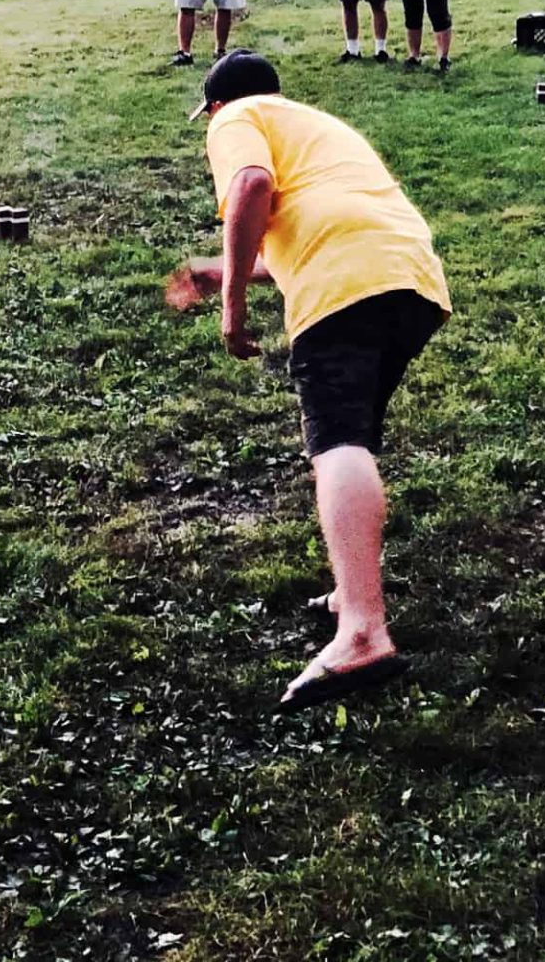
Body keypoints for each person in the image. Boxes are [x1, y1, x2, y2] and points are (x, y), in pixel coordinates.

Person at [168, 51, 452, 711]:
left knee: (336, 443)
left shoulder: (233, 117)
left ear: (215, 106)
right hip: (410, 279)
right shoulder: (316, 125)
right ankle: (353, 593)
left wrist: (232, 309)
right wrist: (223, 269)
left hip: (345, 285)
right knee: (350, 439)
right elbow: (313, 221)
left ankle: (362, 631)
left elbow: (250, 189)